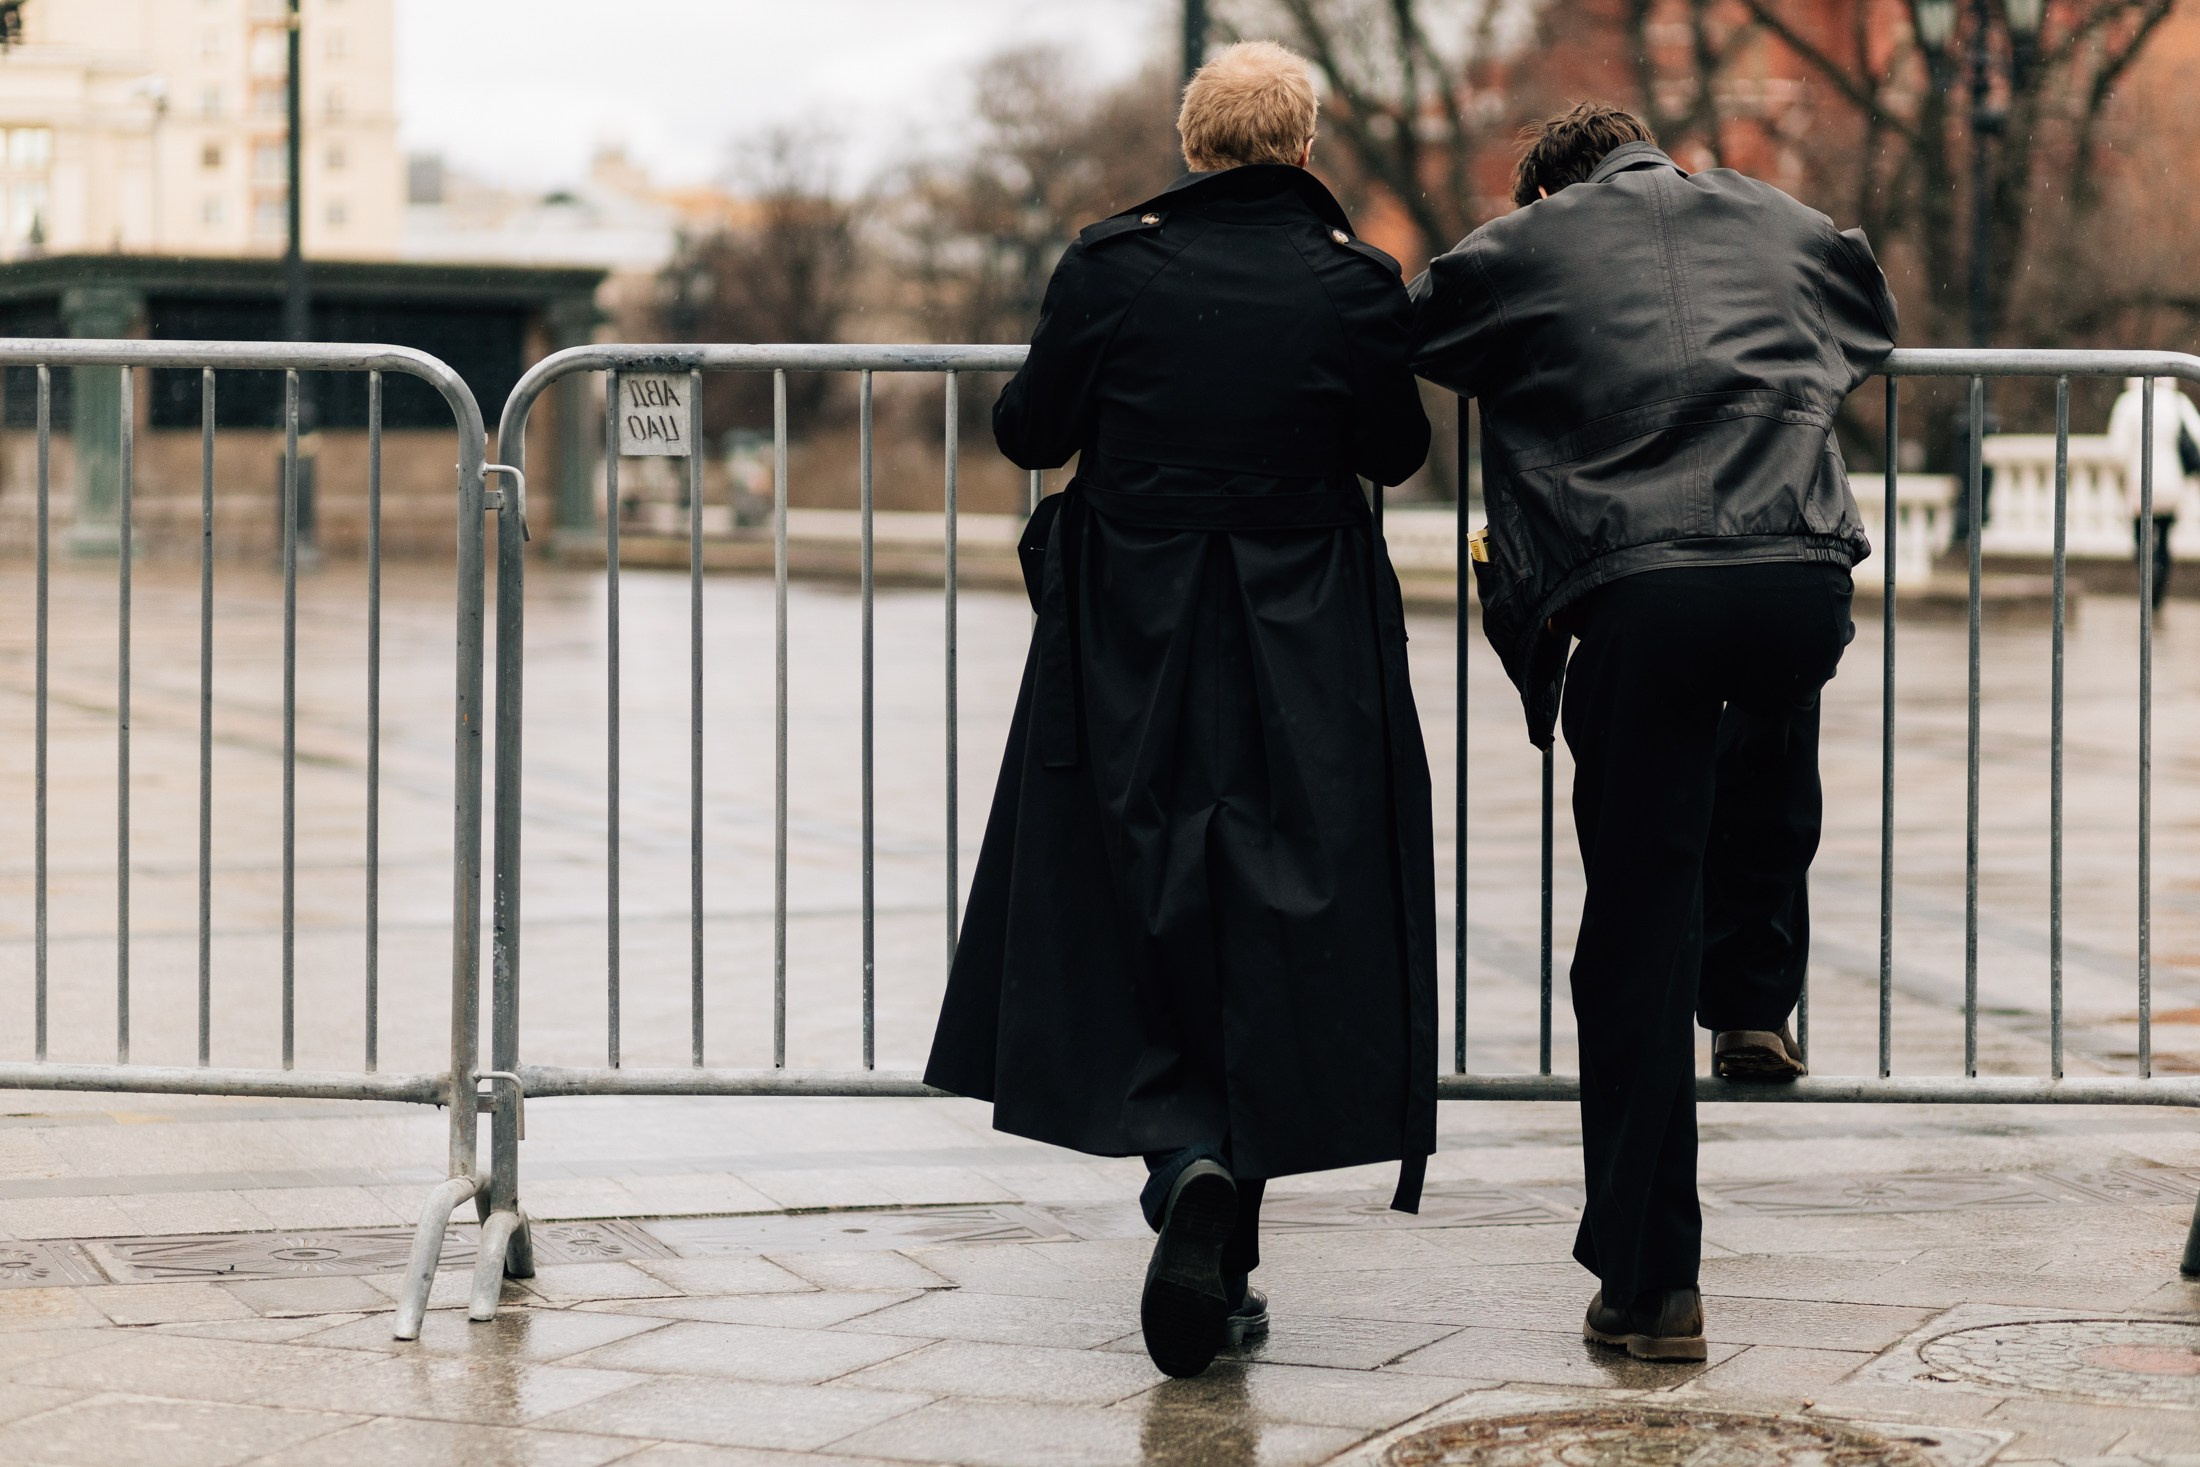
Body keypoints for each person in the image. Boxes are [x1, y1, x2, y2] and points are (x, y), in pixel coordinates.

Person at [923, 40, 1436, 1381]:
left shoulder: (1111, 265)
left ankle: (1183, 1159)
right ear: (1306, 147)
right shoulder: (1354, 281)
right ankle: (1229, 1225)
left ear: (1193, 145)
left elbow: (1031, 431)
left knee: (1128, 887)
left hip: (1131, 632)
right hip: (1302, 640)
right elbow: (1396, 450)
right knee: (1273, 909)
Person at [1409, 103, 1897, 1363]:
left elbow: (1418, 331)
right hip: (1801, 576)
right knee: (1766, 698)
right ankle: (1750, 992)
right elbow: (1867, 316)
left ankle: (1651, 1282)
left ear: (1545, 189)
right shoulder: (1780, 218)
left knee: (1632, 932)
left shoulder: (1529, 244)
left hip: (1641, 591)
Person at [2105, 376, 2200, 610]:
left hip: (2139, 479)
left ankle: (2148, 576)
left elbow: (2117, 450)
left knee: (2141, 535)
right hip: (2171, 480)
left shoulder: (2128, 402)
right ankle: (2160, 583)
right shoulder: (2178, 402)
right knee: (2165, 537)